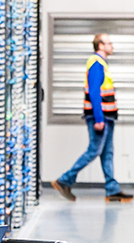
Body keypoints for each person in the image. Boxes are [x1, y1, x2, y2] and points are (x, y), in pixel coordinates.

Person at [52, 32, 129, 202]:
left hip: (108, 116)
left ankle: (112, 189)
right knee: (94, 151)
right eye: (109, 43)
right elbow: (94, 93)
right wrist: (99, 119)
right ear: (100, 45)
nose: (112, 46)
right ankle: (64, 180)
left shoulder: (101, 63)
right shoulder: (96, 63)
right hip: (100, 117)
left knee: (107, 153)